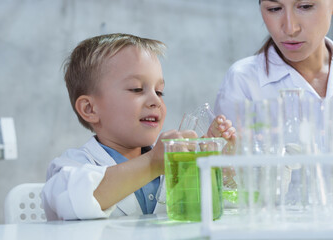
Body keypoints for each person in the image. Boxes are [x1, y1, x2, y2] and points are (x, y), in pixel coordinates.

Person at [42, 33, 236, 221]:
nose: (155, 101)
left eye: (159, 92)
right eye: (136, 89)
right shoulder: (71, 165)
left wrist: (215, 166)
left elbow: (219, 214)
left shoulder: (173, 162)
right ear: (90, 108)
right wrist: (152, 163)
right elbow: (72, 201)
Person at [214, 0, 333, 123]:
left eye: (305, 6)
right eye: (274, 9)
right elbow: (226, 141)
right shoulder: (242, 81)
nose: (290, 29)